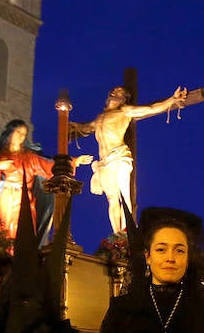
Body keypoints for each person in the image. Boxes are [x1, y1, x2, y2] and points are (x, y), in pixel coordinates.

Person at [70, 86, 190, 235]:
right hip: (104, 163)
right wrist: (73, 127)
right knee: (112, 200)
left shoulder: (124, 111)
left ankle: (128, 232)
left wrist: (172, 99)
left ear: (124, 98)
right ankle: (117, 235)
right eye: (113, 91)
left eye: (119, 92)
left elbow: (151, 108)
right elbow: (86, 128)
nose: (114, 92)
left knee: (124, 195)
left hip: (119, 156)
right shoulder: (100, 117)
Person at [0, 119, 90, 241]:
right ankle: (1, 253)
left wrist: (75, 162)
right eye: (18, 132)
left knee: (21, 230)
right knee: (2, 229)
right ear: (10, 133)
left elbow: (49, 166)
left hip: (24, 200)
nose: (21, 136)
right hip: (3, 200)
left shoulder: (29, 158)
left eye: (24, 133)